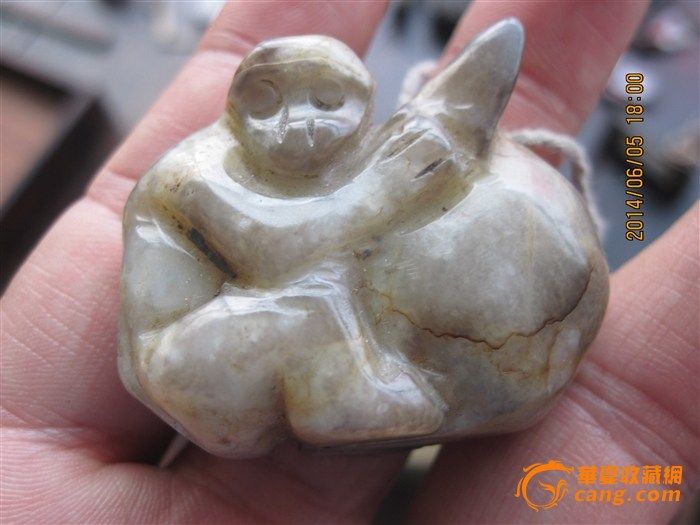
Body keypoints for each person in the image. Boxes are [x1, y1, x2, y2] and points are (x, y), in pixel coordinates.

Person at [1, 1, 696, 523]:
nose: (298, 124)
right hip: (186, 364)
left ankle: (351, 392)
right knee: (309, 295)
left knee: (326, 289)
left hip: (262, 347)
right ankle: (352, 401)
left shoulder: (339, 168)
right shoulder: (194, 174)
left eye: (328, 102)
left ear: (363, 105)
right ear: (237, 107)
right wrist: (381, 192)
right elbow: (272, 253)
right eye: (266, 103)